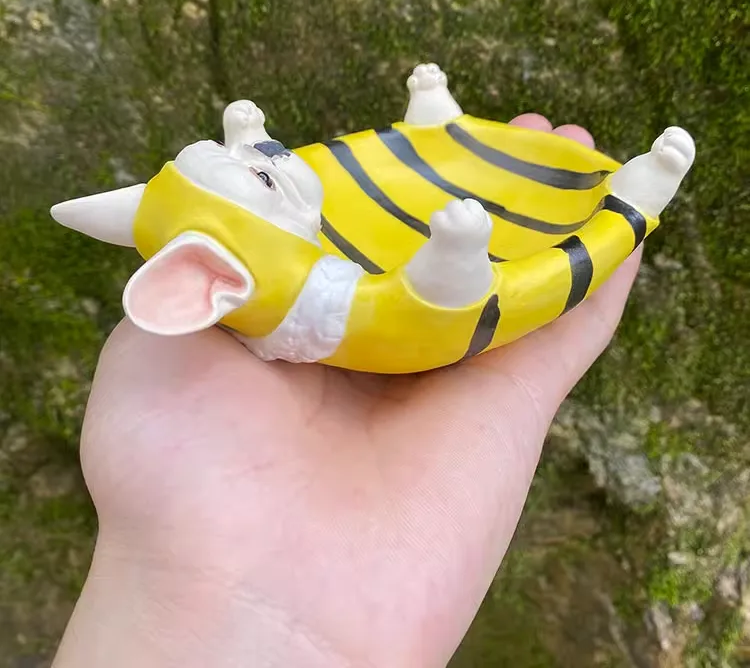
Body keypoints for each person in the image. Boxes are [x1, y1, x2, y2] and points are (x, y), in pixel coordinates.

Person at [52, 114, 642, 668]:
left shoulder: (281, 263)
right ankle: (463, 252)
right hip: (396, 311)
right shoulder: (319, 298)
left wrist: (248, 140)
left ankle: (434, 137)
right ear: (216, 281)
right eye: (261, 176)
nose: (272, 156)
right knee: (425, 306)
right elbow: (399, 307)